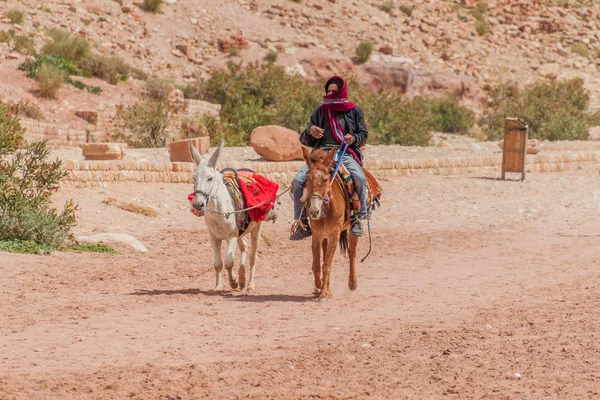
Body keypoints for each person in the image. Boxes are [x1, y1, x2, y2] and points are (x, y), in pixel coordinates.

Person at [290, 75, 368, 240]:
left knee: (359, 177)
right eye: (329, 91)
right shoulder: (320, 111)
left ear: (342, 91)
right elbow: (306, 140)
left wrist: (353, 138)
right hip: (320, 155)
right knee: (298, 181)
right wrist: (310, 131)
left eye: (335, 91)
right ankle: (301, 222)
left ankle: (358, 218)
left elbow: (363, 135)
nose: (331, 94)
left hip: (344, 152)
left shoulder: (353, 111)